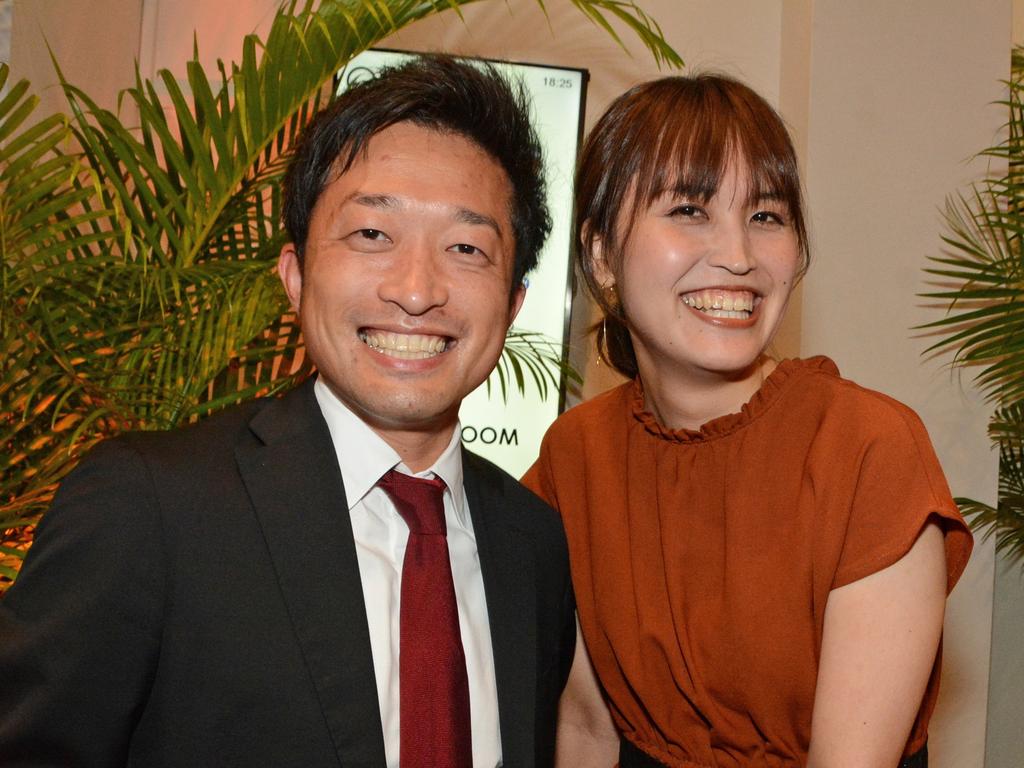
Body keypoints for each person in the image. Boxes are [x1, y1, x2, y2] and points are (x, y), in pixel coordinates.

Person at [0, 54, 575, 768]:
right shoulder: (147, 508)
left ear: (514, 303)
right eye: (372, 234)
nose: (418, 289)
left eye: (466, 247)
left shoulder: (533, 545)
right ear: (295, 276)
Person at [524, 74, 973, 768]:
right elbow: (584, 729)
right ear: (602, 255)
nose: (738, 256)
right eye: (689, 210)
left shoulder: (866, 450)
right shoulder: (575, 456)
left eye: (766, 216)